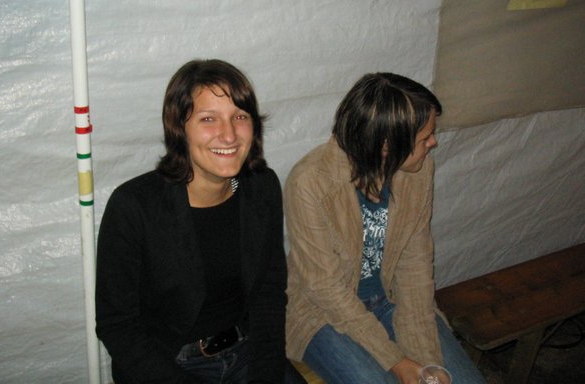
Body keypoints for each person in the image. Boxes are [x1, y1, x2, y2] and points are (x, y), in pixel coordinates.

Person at [96, 59, 306, 384]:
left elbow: (268, 293)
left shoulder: (261, 188)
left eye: (240, 116)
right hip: (168, 365)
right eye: (208, 119)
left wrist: (265, 376)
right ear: (179, 128)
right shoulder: (134, 207)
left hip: (245, 351)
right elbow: (118, 326)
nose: (229, 134)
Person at [284, 73, 486, 384]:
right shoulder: (310, 183)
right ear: (386, 145)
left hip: (391, 300)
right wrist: (396, 361)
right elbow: (325, 288)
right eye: (424, 139)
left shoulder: (418, 171)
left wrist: (428, 362)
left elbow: (414, 269)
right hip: (323, 314)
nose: (433, 143)